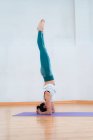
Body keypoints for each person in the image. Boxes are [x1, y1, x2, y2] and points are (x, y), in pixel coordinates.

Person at [36, 19, 56, 115]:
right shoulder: (47, 96)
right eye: (43, 105)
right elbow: (50, 112)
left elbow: (52, 110)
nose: (43, 103)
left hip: (46, 75)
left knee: (42, 49)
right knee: (42, 48)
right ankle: (40, 31)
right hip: (47, 74)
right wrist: (40, 112)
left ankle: (41, 32)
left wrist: (40, 110)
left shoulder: (48, 97)